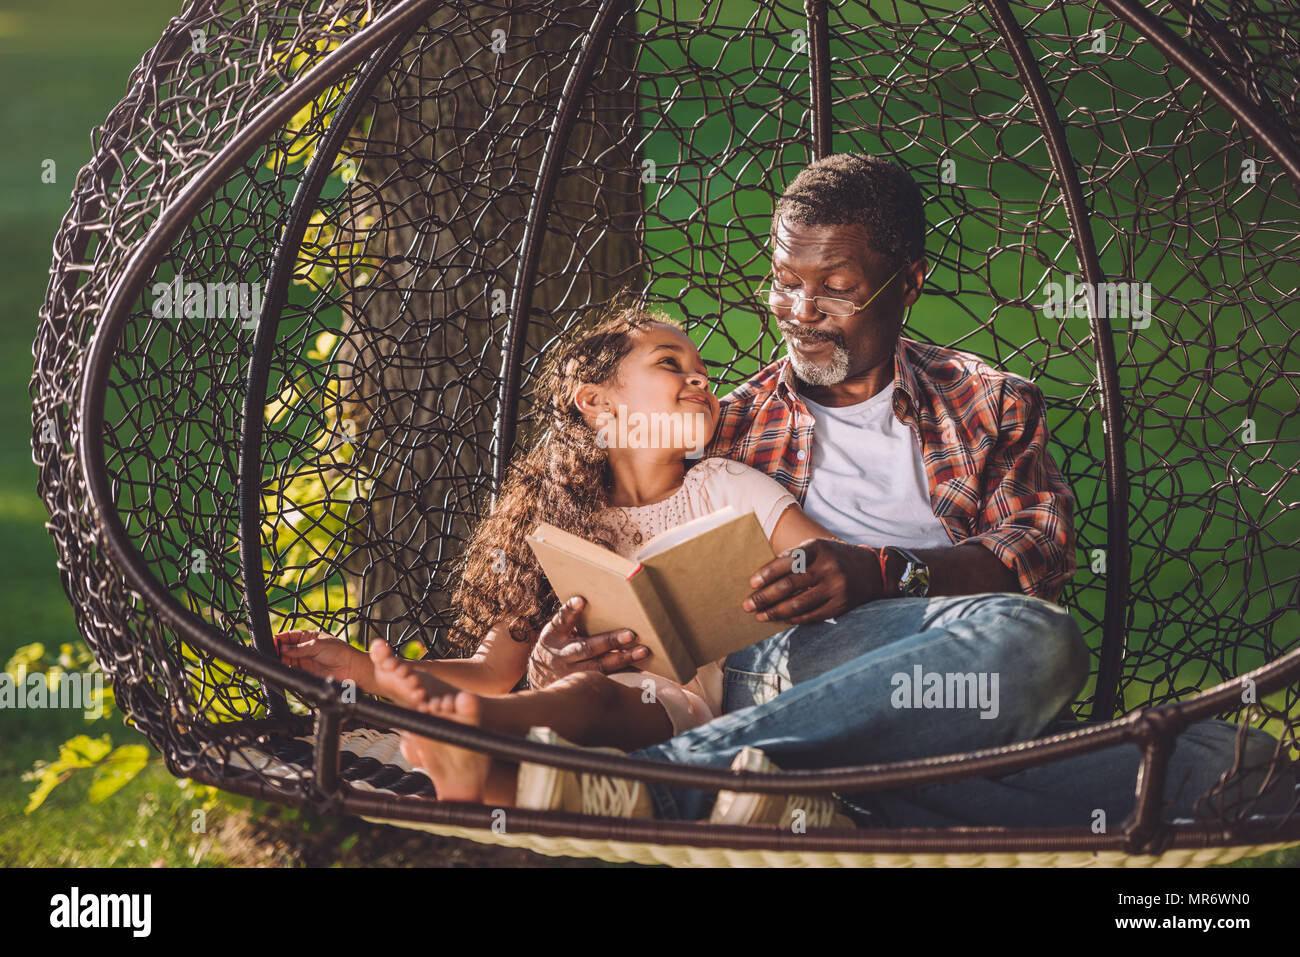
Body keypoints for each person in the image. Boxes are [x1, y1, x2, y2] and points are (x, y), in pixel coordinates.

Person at [524, 153, 1291, 829]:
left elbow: (1036, 554)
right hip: (789, 665)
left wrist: (883, 572)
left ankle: (825, 794)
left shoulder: (990, 403)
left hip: (953, 684)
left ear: (908, 282)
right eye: (786, 284)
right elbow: (622, 528)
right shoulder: (728, 425)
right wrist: (557, 656)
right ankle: (673, 785)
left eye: (836, 286)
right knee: (1039, 643)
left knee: (1245, 766)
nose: (801, 312)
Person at [277, 299, 856, 825]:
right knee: (568, 706)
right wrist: (361, 669)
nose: (698, 377)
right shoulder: (557, 519)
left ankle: (464, 726)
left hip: (678, 713)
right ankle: (476, 756)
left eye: (701, 369)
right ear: (597, 401)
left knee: (592, 693)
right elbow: (491, 671)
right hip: (560, 728)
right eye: (669, 363)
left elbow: (830, 561)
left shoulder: (726, 485)